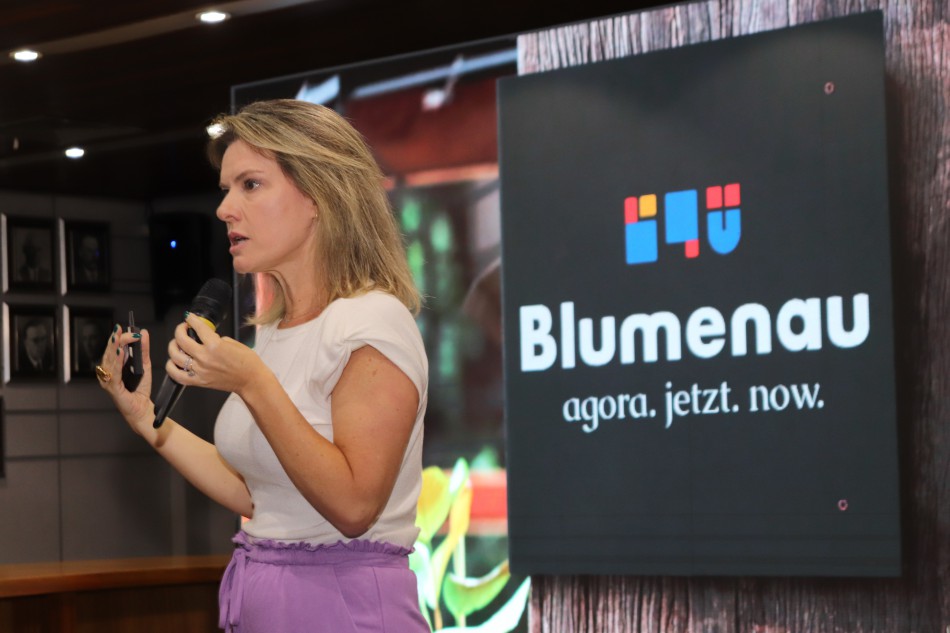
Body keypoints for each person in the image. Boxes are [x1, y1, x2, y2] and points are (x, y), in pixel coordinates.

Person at [96, 99, 429, 632]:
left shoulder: (371, 320)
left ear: (319, 195)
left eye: (250, 185)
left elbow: (353, 507)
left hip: (345, 608)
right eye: (226, 189)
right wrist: (146, 421)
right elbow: (261, 496)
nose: (225, 209)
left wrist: (253, 382)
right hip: (265, 598)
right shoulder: (273, 330)